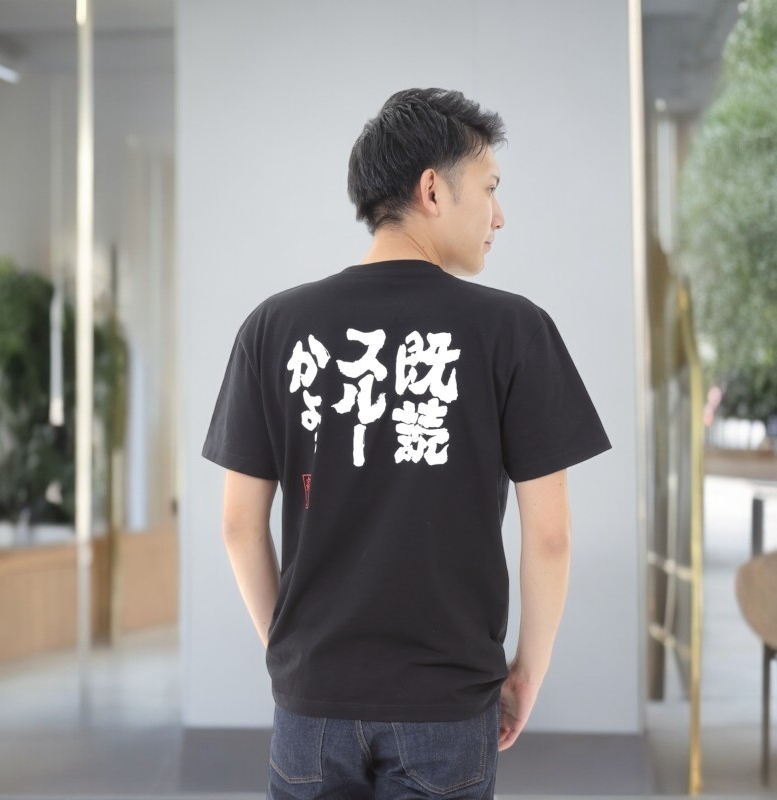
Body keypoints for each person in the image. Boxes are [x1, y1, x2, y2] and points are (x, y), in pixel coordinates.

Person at [202, 87, 611, 799]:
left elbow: (239, 524)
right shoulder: (513, 331)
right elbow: (550, 537)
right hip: (446, 705)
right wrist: (526, 674)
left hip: (312, 703)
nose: (499, 216)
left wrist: (295, 660)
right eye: (490, 188)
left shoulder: (272, 327)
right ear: (432, 189)